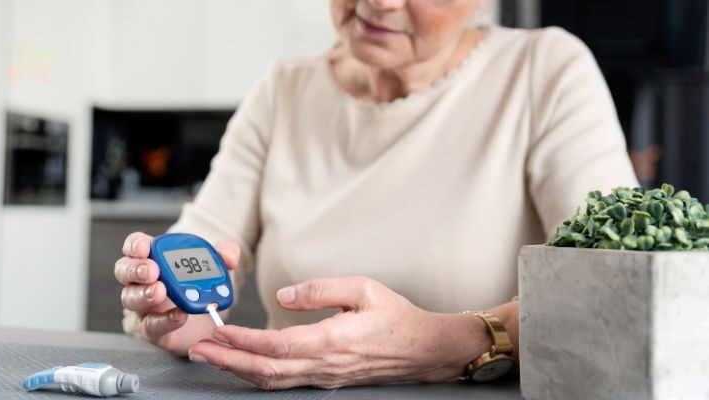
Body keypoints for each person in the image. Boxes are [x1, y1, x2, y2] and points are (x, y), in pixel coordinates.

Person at [114, 0, 638, 390]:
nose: (378, 2)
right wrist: (168, 307)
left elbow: (615, 297)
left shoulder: (546, 72)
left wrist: (442, 344)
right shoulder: (284, 91)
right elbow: (205, 239)